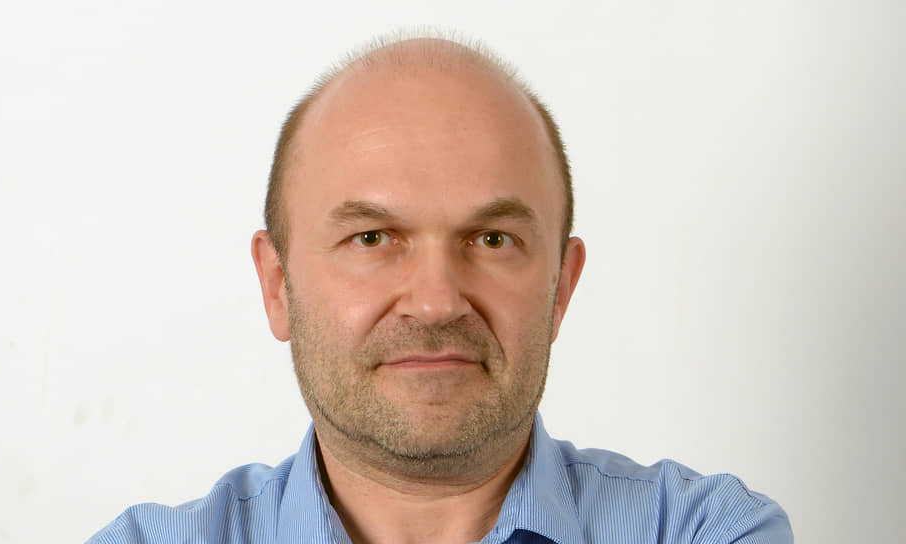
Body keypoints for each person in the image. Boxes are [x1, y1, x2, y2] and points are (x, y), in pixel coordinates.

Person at [88, 33, 792, 544]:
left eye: (492, 240)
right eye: (373, 238)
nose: (435, 302)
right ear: (277, 285)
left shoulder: (705, 530)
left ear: (561, 289)